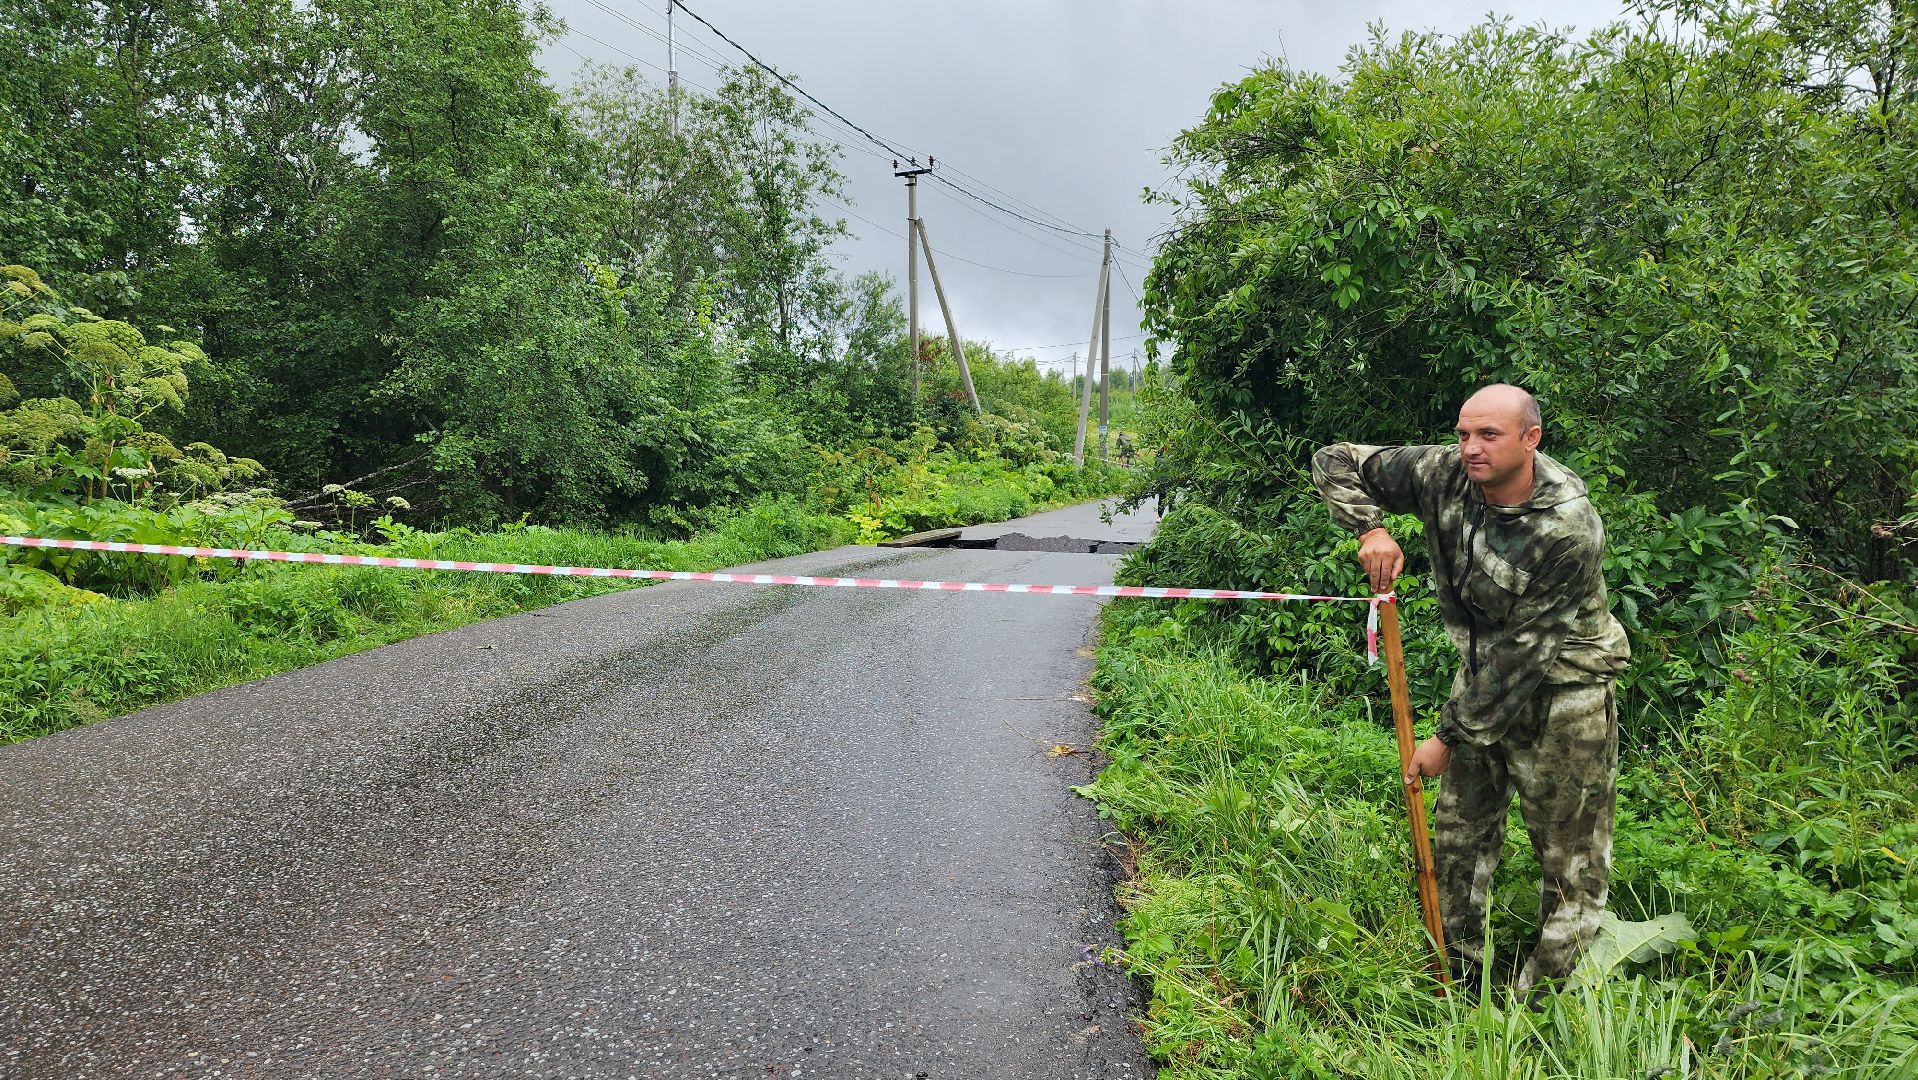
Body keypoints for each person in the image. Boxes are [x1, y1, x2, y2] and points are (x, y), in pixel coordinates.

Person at [1310, 384, 1630, 993]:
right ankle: (1456, 977)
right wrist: (1370, 529)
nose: (1471, 448)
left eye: (1488, 435)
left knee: (1571, 862)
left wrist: (1447, 738)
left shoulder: (1568, 527)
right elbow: (1335, 459)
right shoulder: (1445, 473)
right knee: (1460, 837)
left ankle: (1543, 1005)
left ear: (1530, 439)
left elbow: (1524, 656)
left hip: (1565, 698)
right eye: (1463, 433)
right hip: (1481, 682)